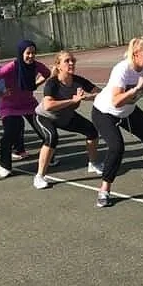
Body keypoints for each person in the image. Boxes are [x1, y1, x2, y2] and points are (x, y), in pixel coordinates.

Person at [90, 36, 143, 208]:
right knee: (117, 147)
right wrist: (136, 89)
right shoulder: (122, 69)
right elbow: (116, 102)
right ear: (136, 54)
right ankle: (104, 190)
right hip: (105, 112)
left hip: (128, 111)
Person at [32, 51, 104, 190]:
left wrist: (88, 97)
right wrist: (72, 100)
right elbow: (48, 105)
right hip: (44, 116)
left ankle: (93, 163)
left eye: (73, 61)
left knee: (92, 131)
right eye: (67, 61)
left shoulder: (78, 81)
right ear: (58, 65)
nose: (71, 63)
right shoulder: (52, 83)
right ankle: (39, 176)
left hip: (65, 117)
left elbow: (101, 93)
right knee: (51, 137)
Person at [0, 39, 51, 179]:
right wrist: (1, 94)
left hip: (29, 104)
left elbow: (47, 74)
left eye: (33, 53)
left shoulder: (36, 66)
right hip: (9, 106)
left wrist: (35, 84)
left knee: (46, 131)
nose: (31, 56)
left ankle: (48, 158)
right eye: (28, 53)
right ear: (21, 53)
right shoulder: (11, 67)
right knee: (10, 134)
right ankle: (4, 165)